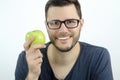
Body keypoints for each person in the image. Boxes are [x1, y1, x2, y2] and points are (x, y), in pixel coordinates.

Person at [15, 0, 113, 80]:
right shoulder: (28, 59)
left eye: (70, 22)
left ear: (81, 24)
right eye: (54, 22)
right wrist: (32, 76)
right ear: (46, 26)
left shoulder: (98, 57)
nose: (63, 30)